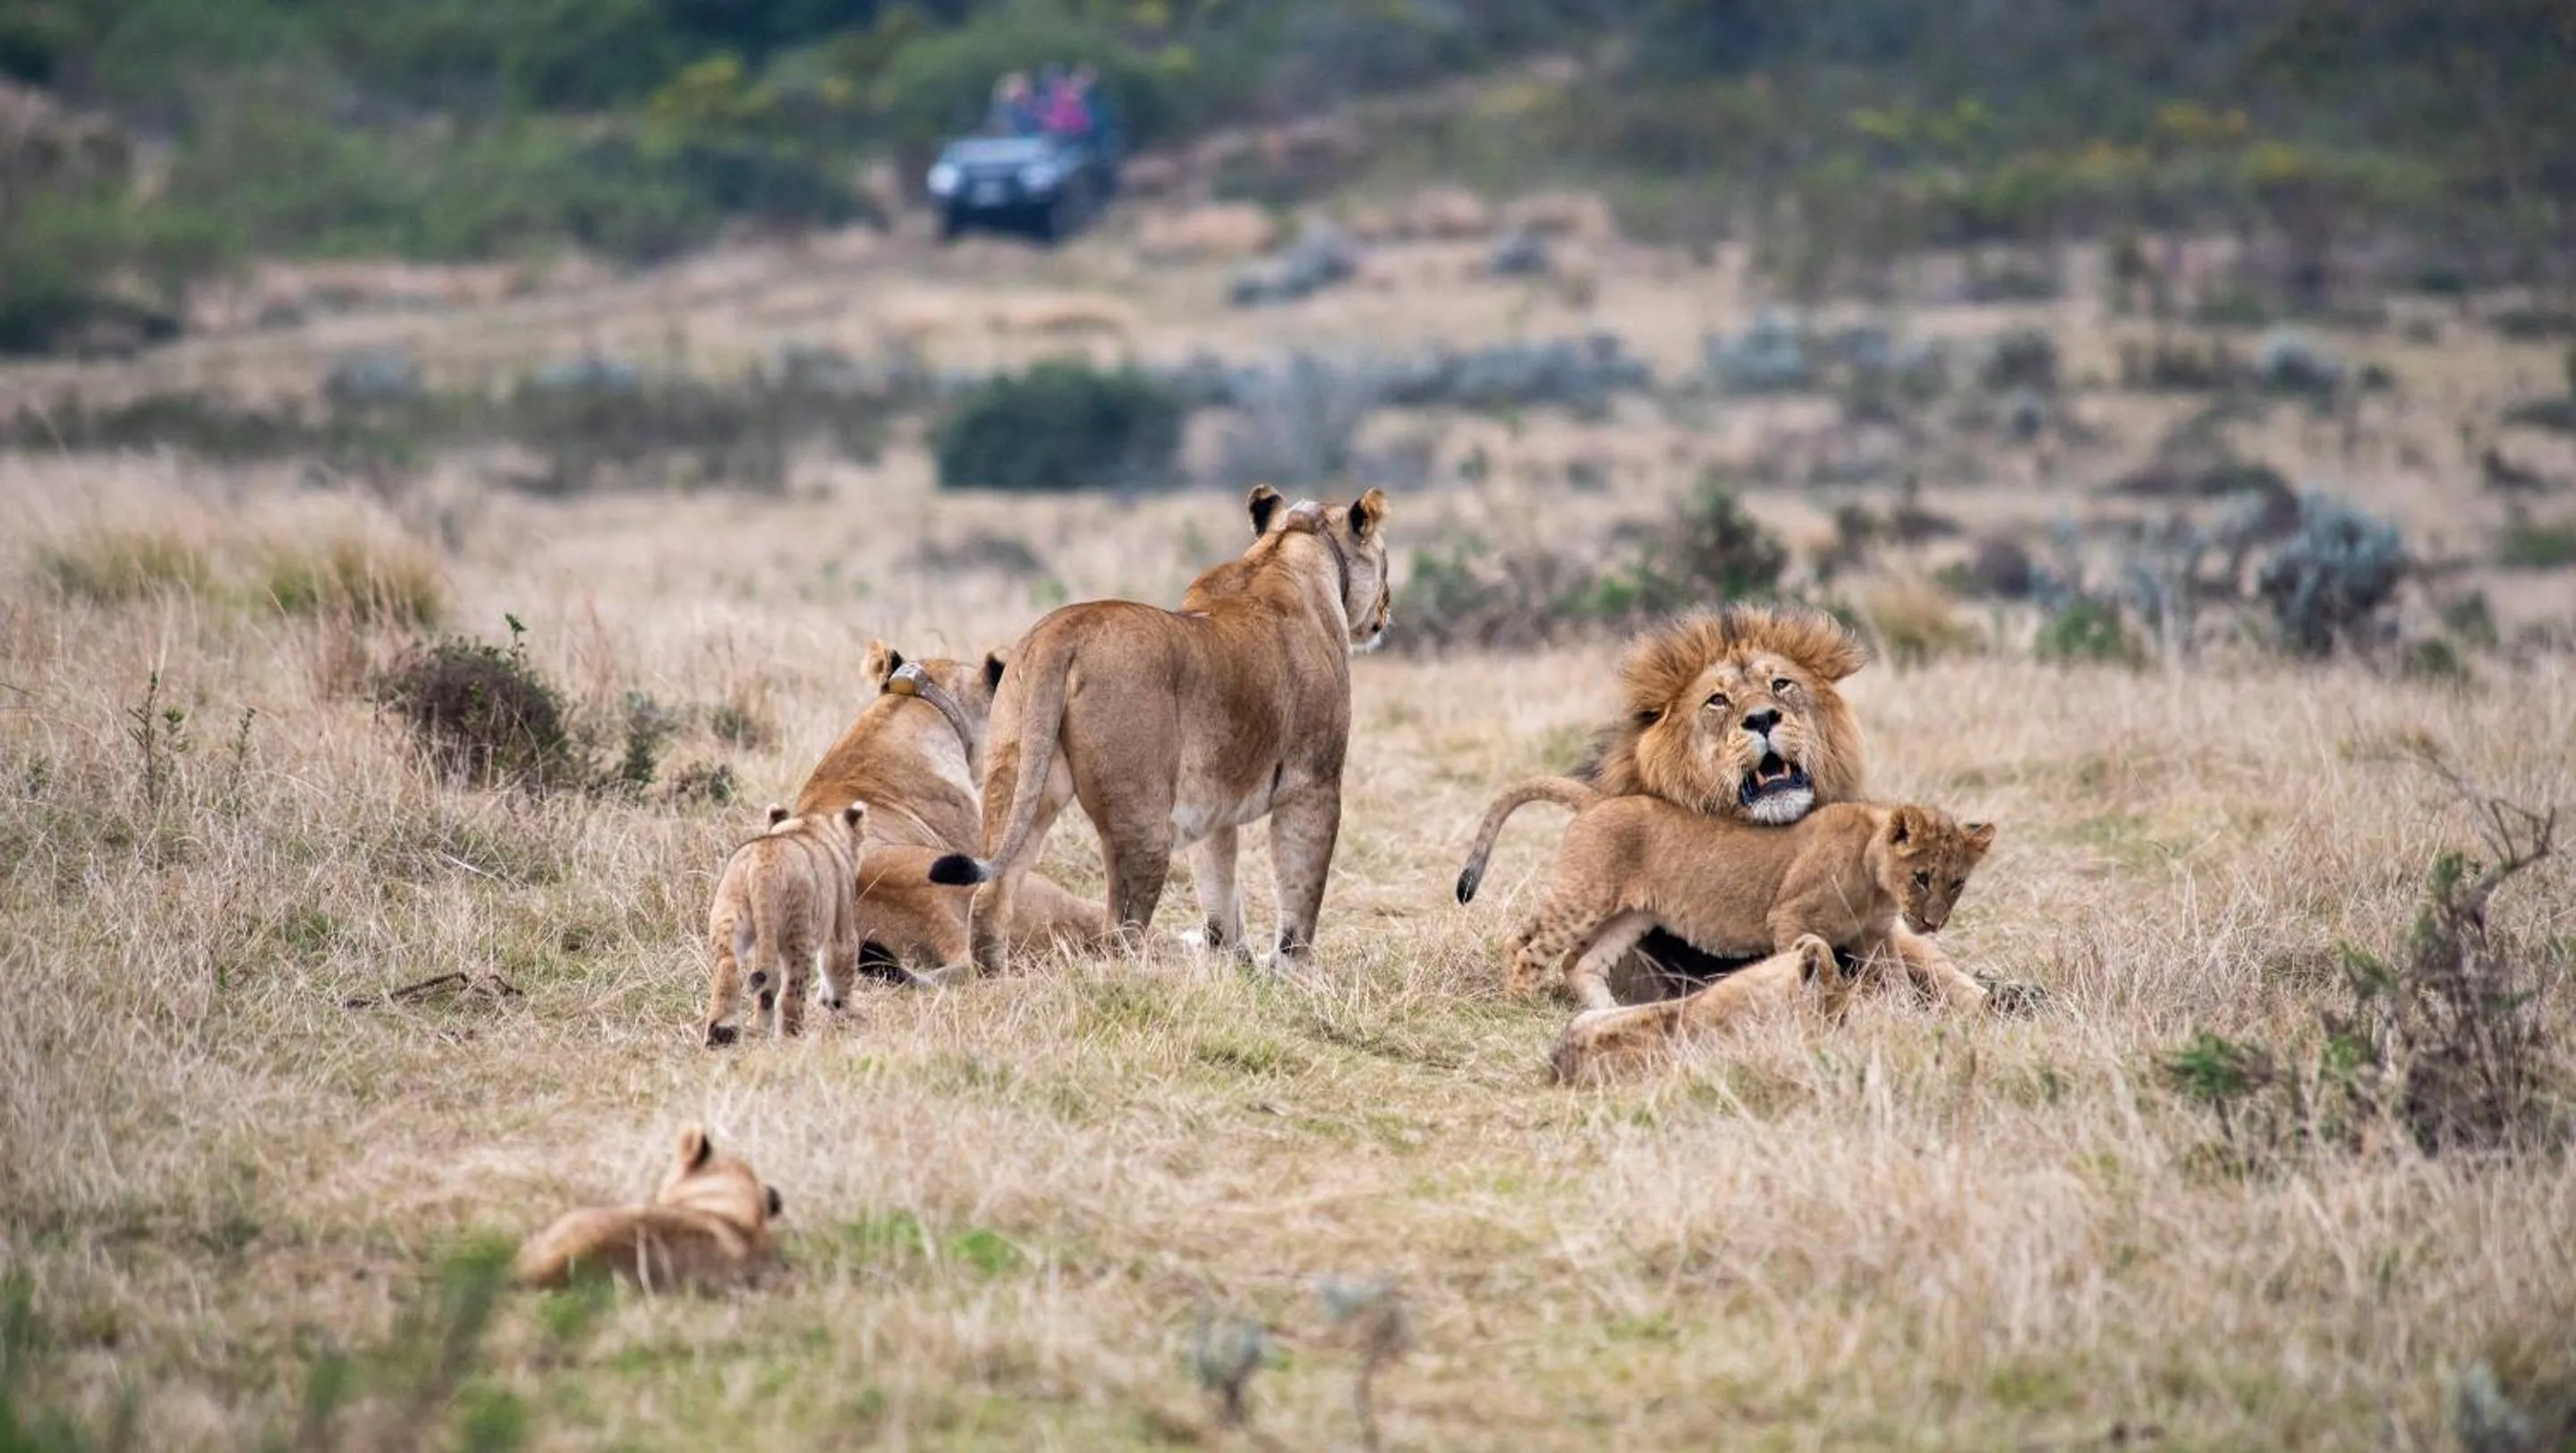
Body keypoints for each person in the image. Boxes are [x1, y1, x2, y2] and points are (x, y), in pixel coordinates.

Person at [988, 72, 1039, 136]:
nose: (1019, 90)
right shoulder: (1002, 111)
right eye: (1015, 85)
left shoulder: (1033, 110)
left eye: (1022, 85)